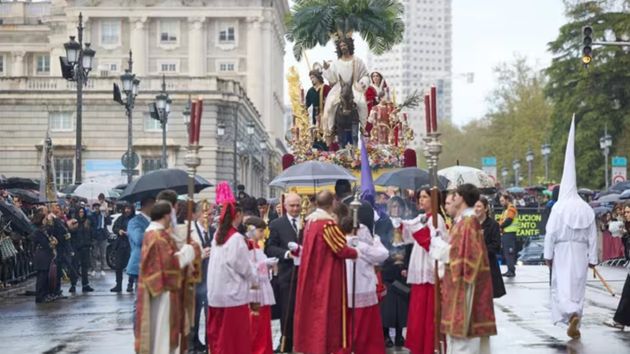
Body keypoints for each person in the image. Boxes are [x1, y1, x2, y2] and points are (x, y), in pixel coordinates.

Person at [544, 117, 597, 340]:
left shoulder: (558, 208)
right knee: (577, 284)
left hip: (563, 250)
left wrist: (547, 256)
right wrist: (593, 257)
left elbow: (551, 234)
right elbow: (593, 236)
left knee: (562, 283)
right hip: (581, 251)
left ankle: (569, 313)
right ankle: (576, 313)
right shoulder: (585, 208)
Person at [293, 190, 358, 354]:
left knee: (313, 311)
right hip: (326, 274)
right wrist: (357, 252)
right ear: (333, 204)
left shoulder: (310, 222)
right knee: (326, 312)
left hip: (313, 273)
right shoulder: (326, 224)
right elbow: (340, 248)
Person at [134, 201, 200, 354]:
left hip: (157, 288)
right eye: (171, 214)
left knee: (158, 331)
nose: (173, 217)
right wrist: (188, 251)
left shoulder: (152, 233)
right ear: (166, 215)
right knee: (162, 334)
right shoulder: (158, 236)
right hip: (163, 291)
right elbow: (169, 264)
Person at [439, 184, 497, 354]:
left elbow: (469, 256)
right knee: (458, 340)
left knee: (464, 339)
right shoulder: (464, 222)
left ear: (461, 198)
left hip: (464, 286)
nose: (452, 199)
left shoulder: (469, 223)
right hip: (458, 282)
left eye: (454, 195)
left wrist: (440, 250)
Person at [395, 188, 448, 354]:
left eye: (425, 197)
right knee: (418, 311)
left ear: (434, 199)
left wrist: (418, 231)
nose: (421, 200)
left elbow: (434, 242)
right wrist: (401, 225)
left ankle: (430, 346)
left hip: (430, 268)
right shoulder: (424, 217)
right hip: (419, 267)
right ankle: (419, 346)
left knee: (429, 310)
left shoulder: (437, 219)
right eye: (420, 197)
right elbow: (410, 232)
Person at [337, 205, 389, 354]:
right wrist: (377, 241)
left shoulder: (338, 243)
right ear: (356, 230)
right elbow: (383, 255)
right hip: (363, 288)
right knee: (364, 328)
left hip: (345, 290)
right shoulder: (360, 245)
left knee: (347, 326)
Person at [206, 200, 255, 354]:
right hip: (233, 296)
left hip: (215, 294)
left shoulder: (217, 235)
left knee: (218, 335)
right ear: (238, 215)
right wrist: (255, 276)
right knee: (233, 339)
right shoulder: (236, 239)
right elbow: (243, 267)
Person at [264, 193, 302, 353]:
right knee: (287, 310)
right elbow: (270, 247)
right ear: (285, 206)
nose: (295, 209)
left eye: (297, 205)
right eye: (292, 206)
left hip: (305, 274)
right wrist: (287, 254)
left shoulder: (306, 223)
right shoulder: (276, 224)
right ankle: (286, 341)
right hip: (287, 273)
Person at [321, 36, 369, 144]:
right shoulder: (336, 63)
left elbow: (365, 75)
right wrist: (327, 69)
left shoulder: (357, 61)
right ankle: (330, 128)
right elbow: (332, 78)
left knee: (361, 103)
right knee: (329, 107)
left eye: (344, 45)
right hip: (339, 88)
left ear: (349, 45)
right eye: (341, 45)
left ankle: (362, 127)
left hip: (354, 87)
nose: (343, 47)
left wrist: (363, 82)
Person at [377, 196, 411, 348]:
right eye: (393, 206)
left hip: (402, 269)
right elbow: (380, 243)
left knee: (401, 305)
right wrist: (392, 257)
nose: (396, 209)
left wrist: (405, 264)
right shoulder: (382, 223)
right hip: (388, 268)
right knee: (387, 305)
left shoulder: (407, 224)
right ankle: (385, 335)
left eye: (399, 206)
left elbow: (410, 246)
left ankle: (399, 335)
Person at [244, 216, 278, 354]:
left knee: (263, 322)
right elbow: (247, 267)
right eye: (260, 230)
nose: (263, 234)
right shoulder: (247, 246)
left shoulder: (257, 245)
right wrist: (265, 264)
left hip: (261, 286)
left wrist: (268, 265)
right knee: (255, 322)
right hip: (253, 289)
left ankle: (263, 349)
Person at [190, 203, 214, 353]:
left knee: (209, 312)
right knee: (193, 312)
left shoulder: (214, 231)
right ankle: (192, 344)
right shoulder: (189, 232)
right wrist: (200, 255)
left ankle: (209, 343)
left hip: (210, 277)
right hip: (194, 277)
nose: (210, 217)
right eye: (208, 214)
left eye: (212, 214)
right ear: (198, 214)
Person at [474, 197, 506, 298]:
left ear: (486, 208)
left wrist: (481, 250)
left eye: (479, 206)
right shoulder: (471, 224)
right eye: (474, 206)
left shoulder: (493, 225)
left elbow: (496, 246)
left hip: (488, 266)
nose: (476, 209)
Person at [127, 197, 156, 292]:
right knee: (140, 300)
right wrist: (155, 232)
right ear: (146, 206)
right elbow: (138, 239)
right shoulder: (135, 222)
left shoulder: (154, 221)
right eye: (153, 204)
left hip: (154, 264)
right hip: (141, 263)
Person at [32, 210, 56, 303]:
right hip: (42, 256)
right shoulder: (38, 231)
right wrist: (51, 244)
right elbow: (45, 244)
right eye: (45, 219)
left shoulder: (43, 230)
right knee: (42, 277)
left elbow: (51, 231)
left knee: (46, 277)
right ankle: (40, 296)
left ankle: (45, 294)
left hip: (45, 255)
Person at [111, 204, 135, 293]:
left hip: (131, 244)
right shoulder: (121, 218)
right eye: (126, 208)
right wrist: (119, 231)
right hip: (121, 244)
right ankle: (118, 285)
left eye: (129, 208)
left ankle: (130, 285)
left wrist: (131, 233)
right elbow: (114, 228)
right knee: (118, 266)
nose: (127, 210)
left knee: (131, 266)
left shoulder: (135, 219)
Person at [70, 207, 95, 293]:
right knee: (75, 266)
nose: (81, 213)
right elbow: (71, 234)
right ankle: (73, 284)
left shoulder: (87, 222)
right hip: (76, 247)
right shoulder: (74, 222)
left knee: (85, 267)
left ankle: (85, 284)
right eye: (80, 212)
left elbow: (91, 233)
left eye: (82, 212)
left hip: (85, 247)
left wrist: (90, 244)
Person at [499, 194, 519, 277]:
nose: (501, 203)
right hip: (506, 234)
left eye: (503, 201)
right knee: (507, 252)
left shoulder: (511, 208)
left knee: (509, 253)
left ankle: (511, 271)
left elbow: (509, 220)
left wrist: (500, 226)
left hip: (509, 234)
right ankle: (510, 270)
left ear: (507, 200)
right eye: (500, 201)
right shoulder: (506, 210)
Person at [90, 202, 110, 277]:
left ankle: (102, 269)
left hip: (103, 236)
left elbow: (109, 222)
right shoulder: (92, 216)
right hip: (95, 237)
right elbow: (90, 225)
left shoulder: (103, 215)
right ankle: (93, 269)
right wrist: (93, 233)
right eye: (95, 207)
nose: (97, 208)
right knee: (94, 254)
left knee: (103, 254)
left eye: (98, 207)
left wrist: (106, 215)